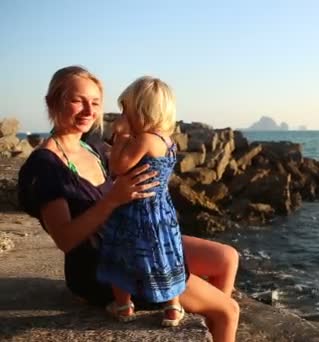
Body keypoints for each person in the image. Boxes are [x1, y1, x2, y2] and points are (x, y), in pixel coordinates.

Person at [17, 66, 239, 342]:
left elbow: (138, 165)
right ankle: (210, 313)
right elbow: (65, 239)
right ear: (53, 102)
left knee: (226, 257)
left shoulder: (92, 148)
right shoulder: (45, 166)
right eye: (77, 101)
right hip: (101, 262)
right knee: (229, 310)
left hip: (134, 239)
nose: (89, 110)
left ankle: (205, 318)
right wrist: (112, 200)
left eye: (95, 103)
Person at [96, 76, 187, 327]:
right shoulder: (167, 141)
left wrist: (120, 137)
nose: (121, 114)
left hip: (135, 210)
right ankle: (173, 307)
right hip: (161, 210)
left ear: (142, 111)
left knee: (122, 255)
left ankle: (124, 305)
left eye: (126, 109)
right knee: (167, 256)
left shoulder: (143, 140)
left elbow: (117, 167)